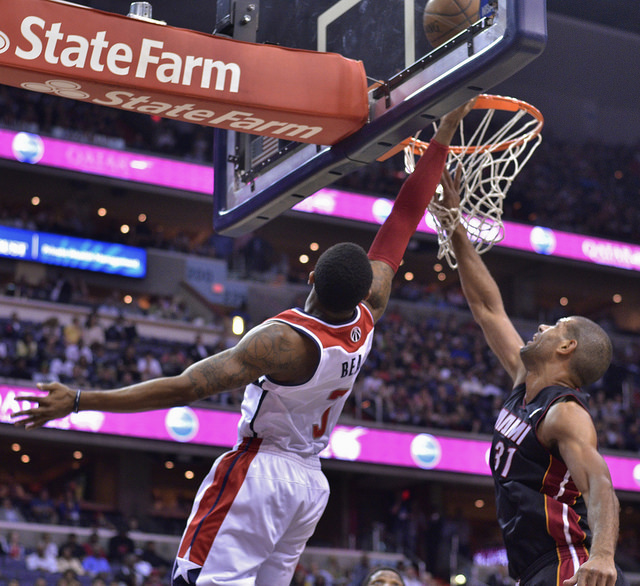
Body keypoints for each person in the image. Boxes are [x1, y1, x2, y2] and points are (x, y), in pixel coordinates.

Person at [12, 99, 475, 586]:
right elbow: (402, 219)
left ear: (312, 275)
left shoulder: (281, 343)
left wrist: (82, 400)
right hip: (309, 484)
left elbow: (185, 388)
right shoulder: (369, 311)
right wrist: (443, 133)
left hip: (261, 473)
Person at [437, 167, 627, 586]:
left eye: (554, 326)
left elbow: (599, 486)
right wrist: (455, 226)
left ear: (566, 348)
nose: (540, 328)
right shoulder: (526, 380)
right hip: (532, 569)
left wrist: (603, 555)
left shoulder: (565, 414)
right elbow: (488, 308)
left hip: (566, 565)